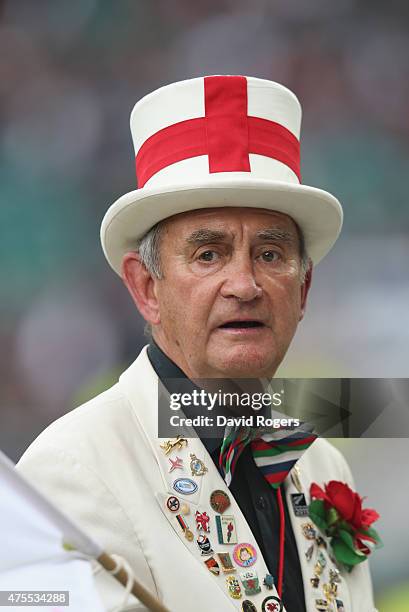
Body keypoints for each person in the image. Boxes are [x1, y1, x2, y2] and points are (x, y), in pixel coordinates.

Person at [17, 76, 377, 611]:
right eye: (208, 254)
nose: (245, 284)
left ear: (303, 290)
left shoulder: (323, 465)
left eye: (271, 254)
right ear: (146, 289)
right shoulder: (67, 474)